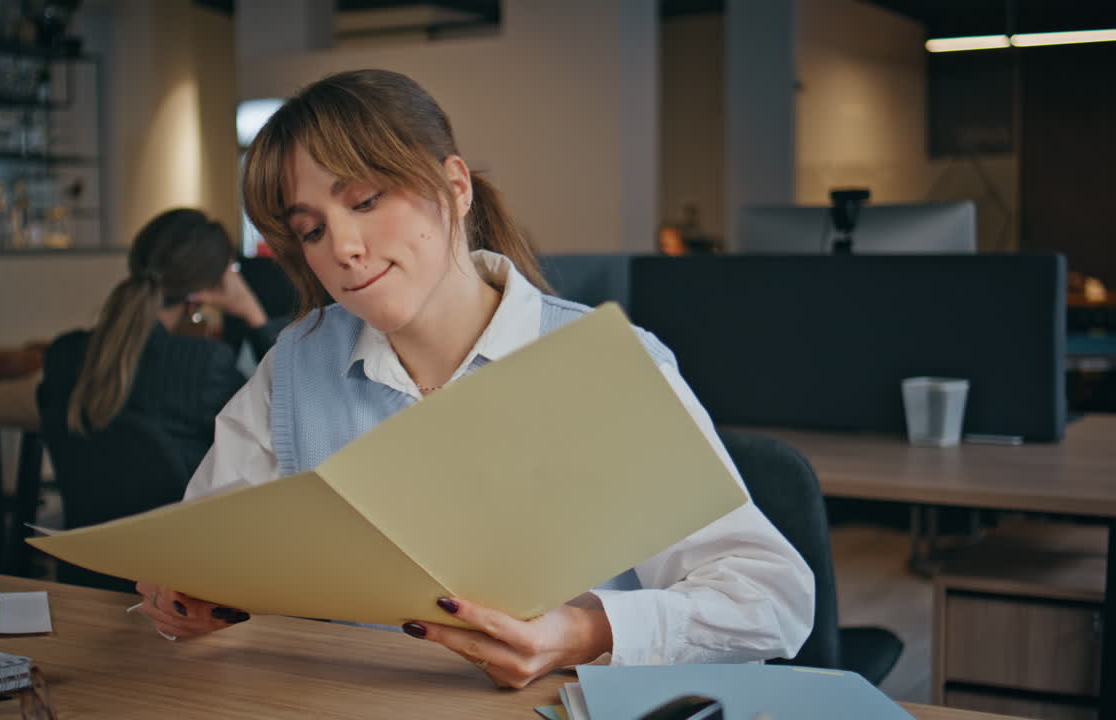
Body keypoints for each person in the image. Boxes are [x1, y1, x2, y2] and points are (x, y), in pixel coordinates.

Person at [137, 70, 814, 689]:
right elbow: (201, 555)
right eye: (311, 231)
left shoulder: (604, 363)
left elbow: (772, 599)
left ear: (454, 188)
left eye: (366, 202)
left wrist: (580, 634)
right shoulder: (294, 365)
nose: (342, 249)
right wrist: (189, 600)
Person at [38, 208, 285, 476]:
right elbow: (284, 420)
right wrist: (254, 314)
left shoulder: (63, 353)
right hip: (189, 518)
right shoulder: (204, 366)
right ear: (207, 285)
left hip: (92, 518)